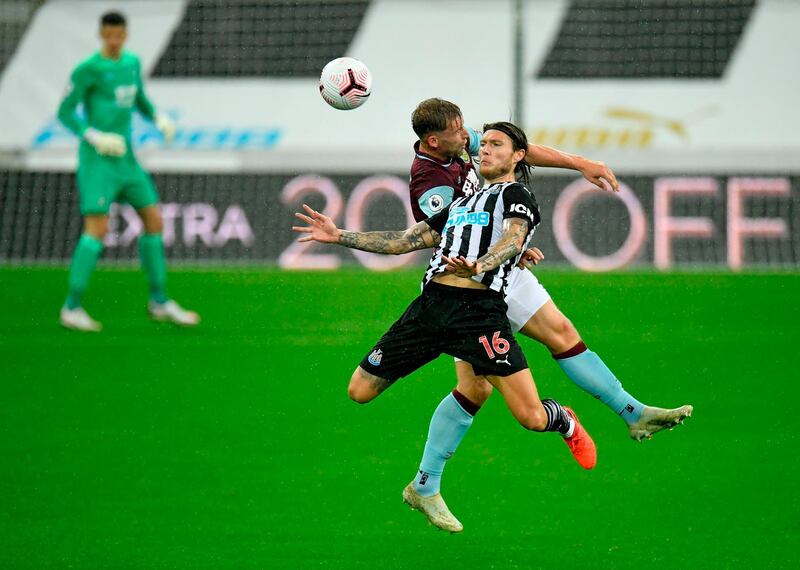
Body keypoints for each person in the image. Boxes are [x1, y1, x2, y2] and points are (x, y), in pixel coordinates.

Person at [294, 122, 597, 533]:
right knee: (359, 391)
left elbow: (513, 238)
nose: (483, 149)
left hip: (480, 315)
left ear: (517, 156)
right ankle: (422, 488)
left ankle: (562, 419)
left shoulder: (516, 195)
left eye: (494, 145)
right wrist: (340, 236)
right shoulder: (458, 202)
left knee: (529, 416)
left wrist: (483, 264)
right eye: (482, 144)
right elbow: (403, 240)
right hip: (430, 308)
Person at [405, 98, 692, 530]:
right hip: (466, 286)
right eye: (460, 132)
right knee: (476, 389)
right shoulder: (429, 183)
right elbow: (446, 236)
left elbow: (521, 150)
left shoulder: (464, 145)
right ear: (434, 140)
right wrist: (504, 247)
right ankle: (426, 485)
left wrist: (580, 163)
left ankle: (634, 413)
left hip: (503, 268)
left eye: (470, 130)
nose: (471, 138)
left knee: (562, 332)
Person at [57, 11, 199, 332]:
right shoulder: (88, 69)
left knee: (154, 221)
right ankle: (72, 306)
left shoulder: (131, 64)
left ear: (125, 34)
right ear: (101, 34)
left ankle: (159, 301)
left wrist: (158, 117)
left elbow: (139, 100)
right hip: (98, 162)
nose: (113, 41)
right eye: (108, 35)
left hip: (127, 160)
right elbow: (65, 112)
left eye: (118, 35)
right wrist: (93, 135)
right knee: (96, 229)